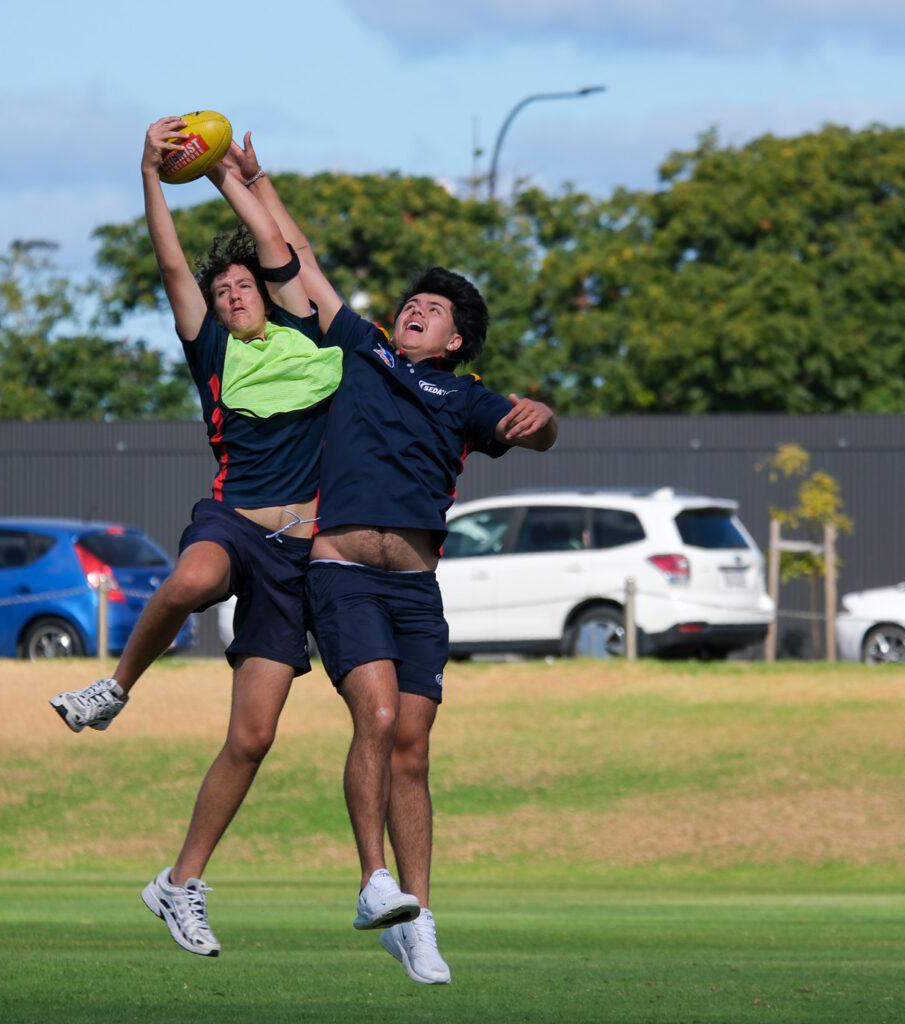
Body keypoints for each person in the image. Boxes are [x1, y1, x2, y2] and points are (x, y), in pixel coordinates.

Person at [231, 136, 557, 984]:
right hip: (341, 575)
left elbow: (542, 433)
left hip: (417, 589)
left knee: (412, 748)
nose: (416, 309)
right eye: (411, 301)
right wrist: (249, 181)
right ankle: (372, 882)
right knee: (374, 719)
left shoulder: (468, 398)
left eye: (433, 309)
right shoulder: (360, 350)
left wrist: (543, 416)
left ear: (455, 342)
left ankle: (417, 918)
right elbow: (296, 262)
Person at [49, 118, 341, 958]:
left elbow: (295, 252)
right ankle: (114, 689)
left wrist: (239, 179)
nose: (230, 295)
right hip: (232, 521)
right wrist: (150, 170)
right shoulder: (212, 347)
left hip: (297, 553)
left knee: (253, 737)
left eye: (242, 286)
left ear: (267, 289)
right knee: (187, 580)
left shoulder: (321, 339)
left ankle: (179, 885)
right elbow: (171, 260)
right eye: (221, 293)